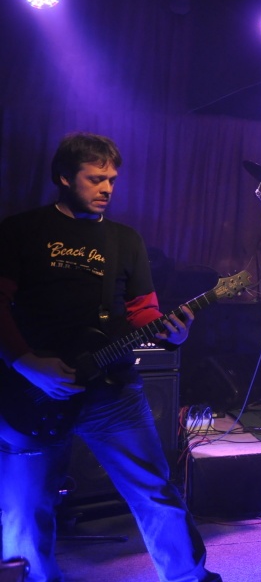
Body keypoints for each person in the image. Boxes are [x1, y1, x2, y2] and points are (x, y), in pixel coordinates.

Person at [0, 133, 220, 582]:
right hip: (31, 390)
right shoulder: (20, 230)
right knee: (26, 508)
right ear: (64, 177)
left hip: (111, 391)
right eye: (95, 178)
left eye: (112, 180)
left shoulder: (124, 239)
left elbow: (142, 311)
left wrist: (173, 334)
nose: (107, 188)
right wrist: (25, 362)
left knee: (155, 492)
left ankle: (189, 578)